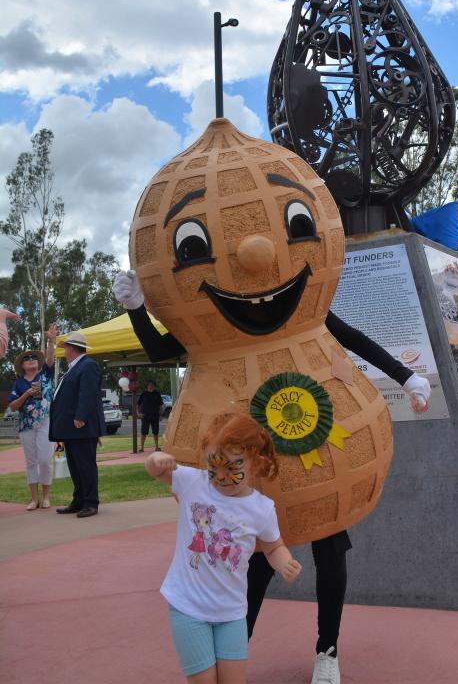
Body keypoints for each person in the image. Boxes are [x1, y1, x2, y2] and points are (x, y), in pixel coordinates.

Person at [114, 268, 430, 684]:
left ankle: (327, 651)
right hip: (253, 463)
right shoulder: (215, 317)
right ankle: (234, 647)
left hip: (318, 451)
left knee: (331, 552)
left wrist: (405, 375)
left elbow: (349, 336)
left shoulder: (301, 306)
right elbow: (159, 349)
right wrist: (137, 308)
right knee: (258, 560)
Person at [146, 413, 302, 684]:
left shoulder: (261, 509)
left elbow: (273, 545)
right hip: (188, 607)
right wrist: (155, 460)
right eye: (214, 464)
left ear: (256, 464)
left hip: (231, 612)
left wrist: (284, 561)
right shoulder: (193, 483)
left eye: (233, 466)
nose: (221, 476)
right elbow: (156, 471)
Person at [49, 329, 106, 517]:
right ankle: (79, 499)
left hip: (81, 426)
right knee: (75, 465)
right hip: (72, 428)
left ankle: (91, 502)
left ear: (71, 349)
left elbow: (88, 394)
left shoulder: (87, 365)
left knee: (85, 465)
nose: (64, 351)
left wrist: (80, 416)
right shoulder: (75, 367)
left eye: (65, 348)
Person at [8, 322, 57, 509]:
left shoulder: (45, 374)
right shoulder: (19, 383)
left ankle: (46, 497)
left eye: (33, 357)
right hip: (26, 425)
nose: (30, 359)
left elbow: (51, 358)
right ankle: (34, 499)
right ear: (21, 365)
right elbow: (13, 406)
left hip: (45, 421)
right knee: (31, 461)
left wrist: (51, 341)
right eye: (26, 358)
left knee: (45, 459)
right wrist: (26, 394)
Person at [137, 379, 165, 452]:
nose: (151, 386)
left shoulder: (157, 394)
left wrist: (161, 415)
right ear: (147, 386)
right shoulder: (144, 393)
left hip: (155, 416)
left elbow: (161, 405)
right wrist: (138, 413)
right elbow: (137, 404)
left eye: (152, 385)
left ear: (154, 386)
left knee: (155, 432)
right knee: (144, 432)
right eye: (149, 385)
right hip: (145, 416)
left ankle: (157, 447)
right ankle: (142, 448)